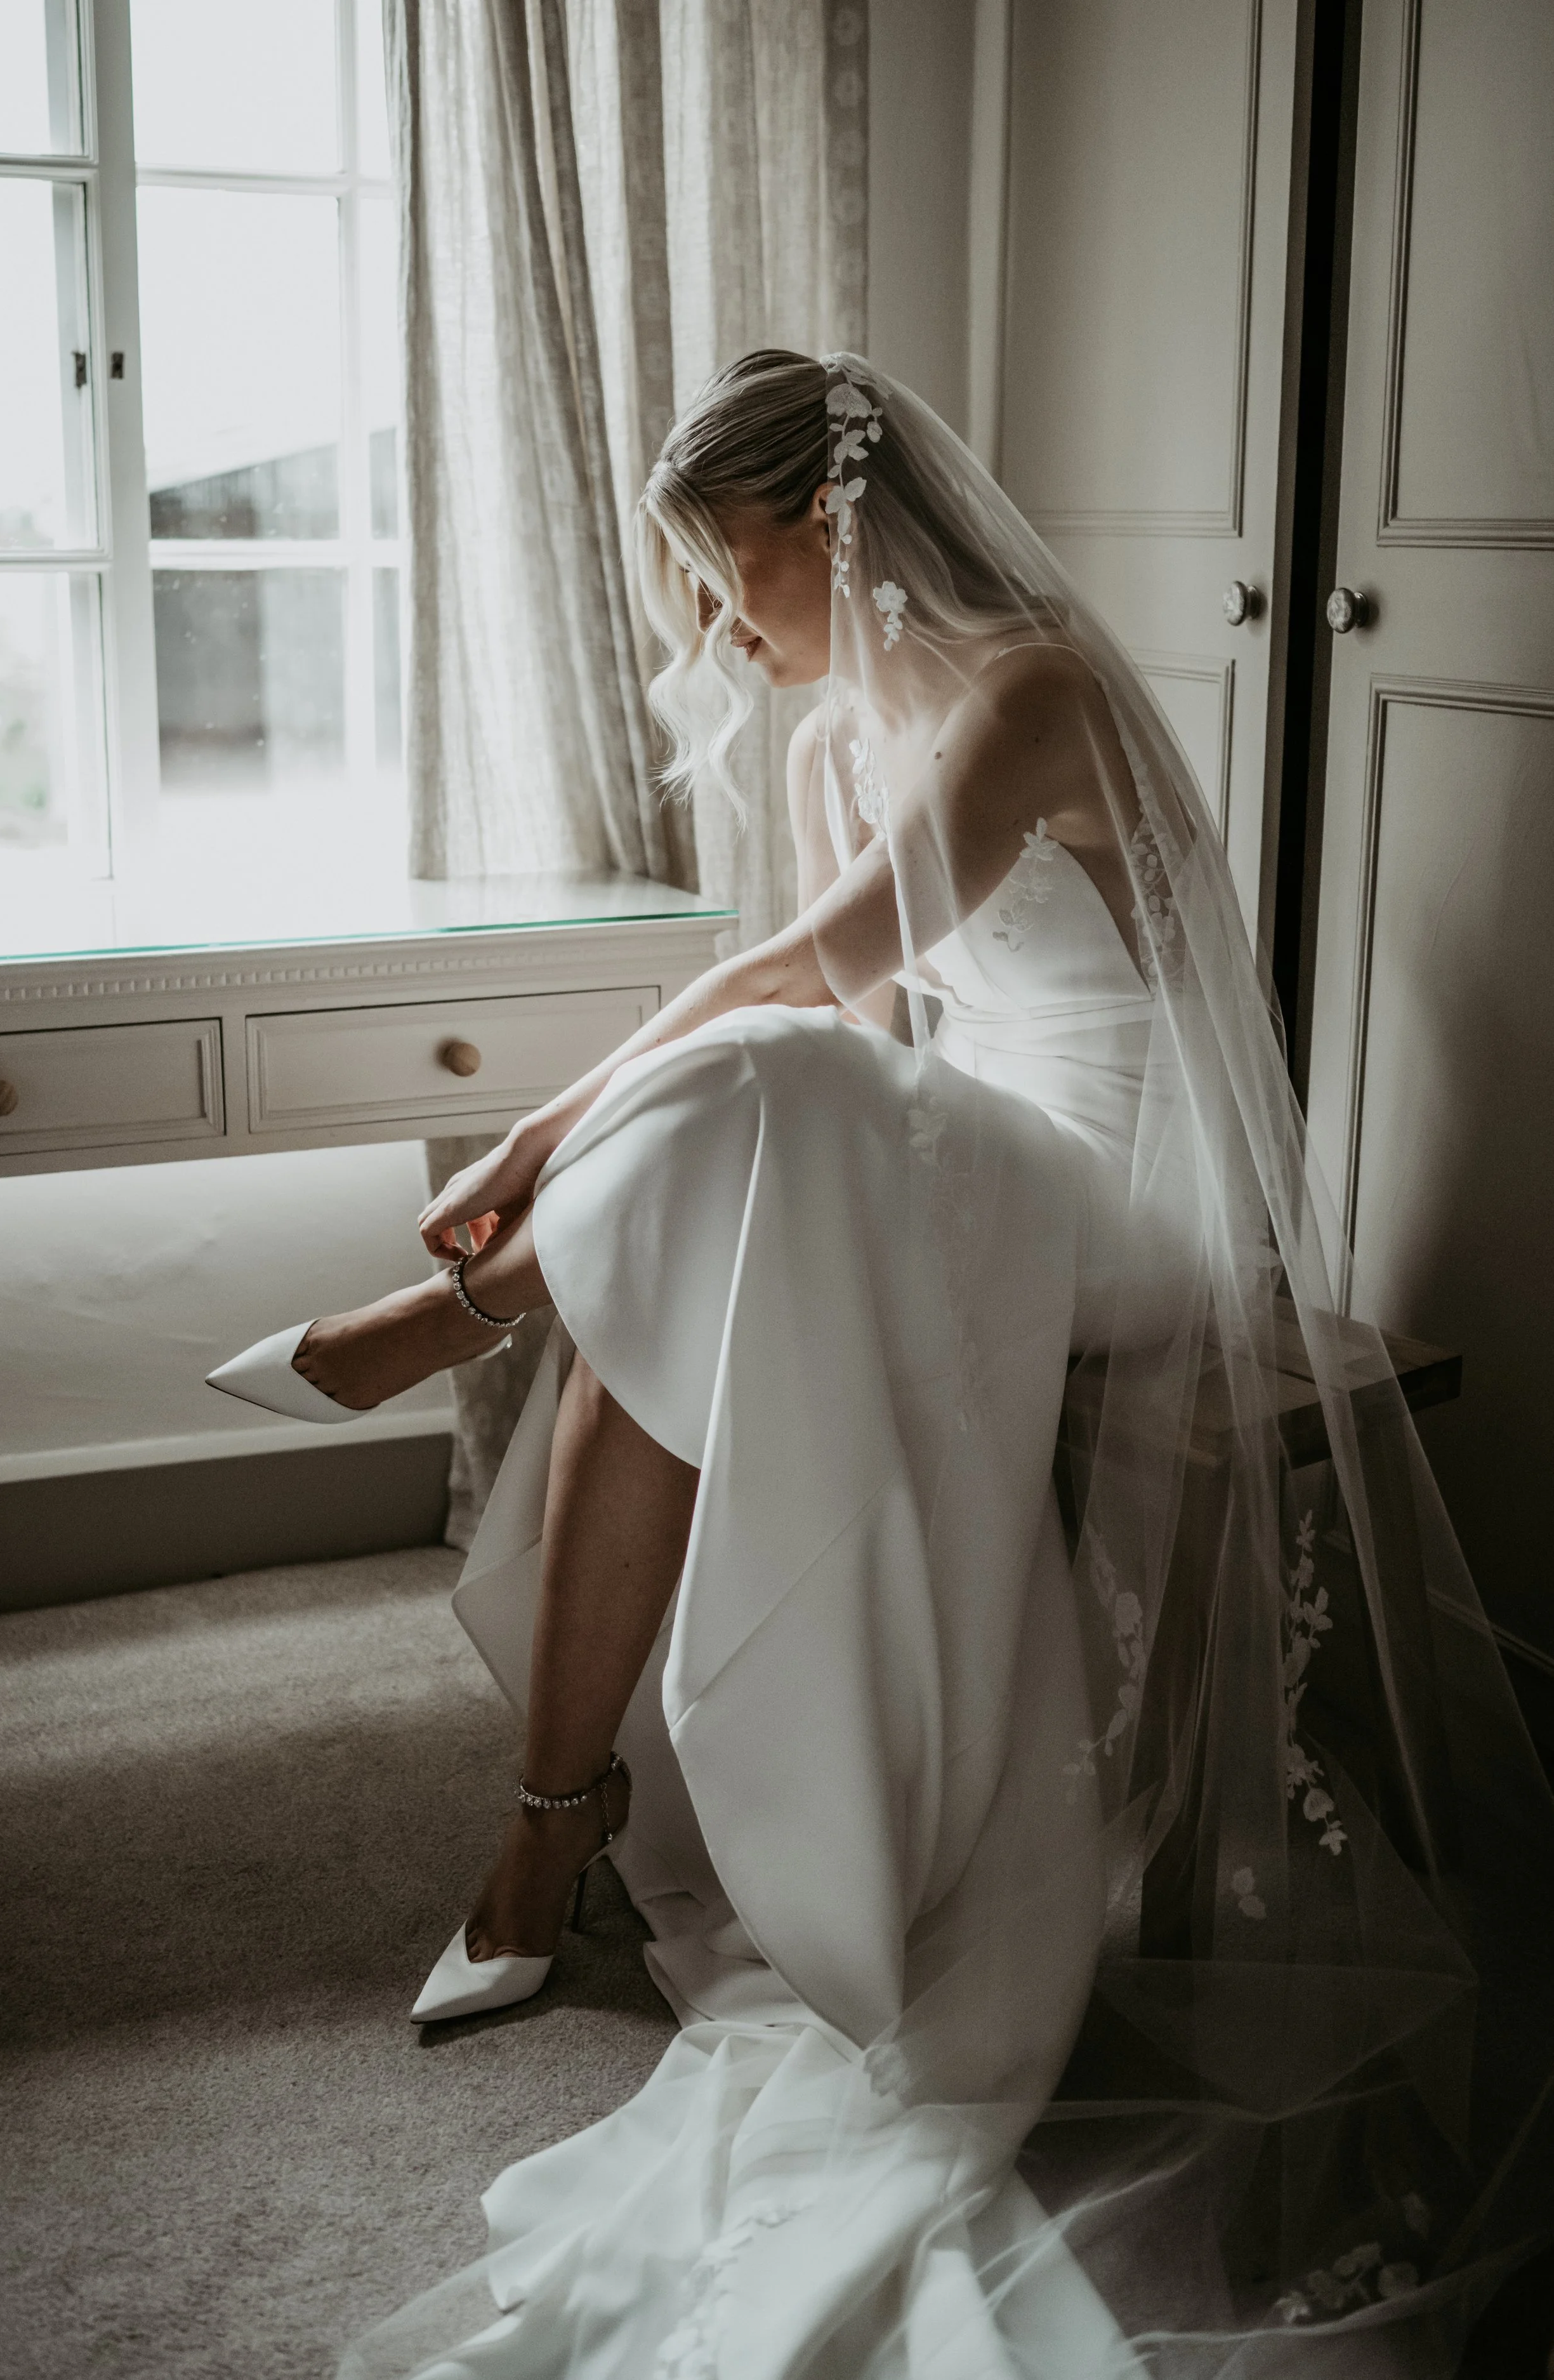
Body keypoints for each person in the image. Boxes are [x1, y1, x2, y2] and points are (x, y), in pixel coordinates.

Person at [214, 354, 1554, 2378]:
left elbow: (798, 982)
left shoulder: (1033, 689)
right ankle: (546, 1803)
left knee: (750, 1070)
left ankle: (476, 1323)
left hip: (1128, 1212)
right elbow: (879, 1027)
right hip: (983, 1171)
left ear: (824, 521)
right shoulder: (855, 721)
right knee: (700, 1221)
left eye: (725, 571)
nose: (714, 626)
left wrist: (516, 1153)